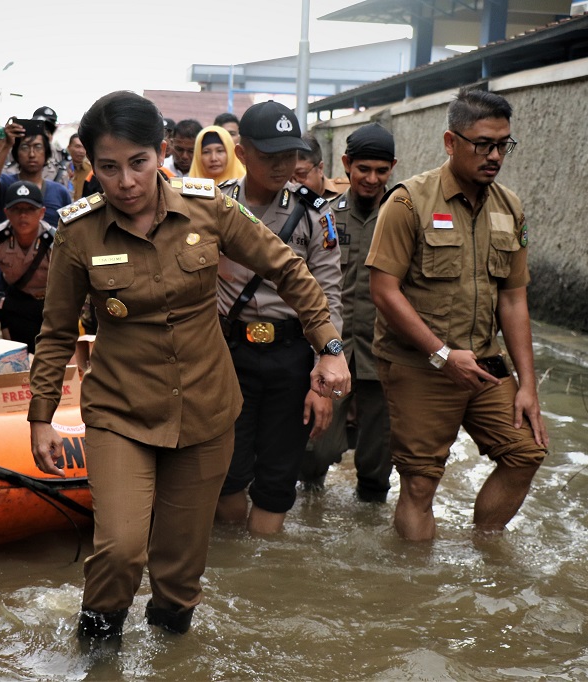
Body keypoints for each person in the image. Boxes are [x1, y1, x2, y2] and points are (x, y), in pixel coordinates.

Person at [27, 91, 349, 641]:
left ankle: (169, 656)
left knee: (180, 567)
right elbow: (56, 332)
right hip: (120, 412)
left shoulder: (210, 207)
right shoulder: (79, 234)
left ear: (161, 155)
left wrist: (329, 348)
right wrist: (40, 416)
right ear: (93, 167)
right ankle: (95, 652)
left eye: (138, 163)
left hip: (205, 410)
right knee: (122, 548)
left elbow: (291, 270)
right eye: (109, 168)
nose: (125, 181)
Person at [367, 88, 549, 541]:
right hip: (420, 363)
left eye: (503, 144)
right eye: (482, 144)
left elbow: (513, 300)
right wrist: (443, 355)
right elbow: (384, 292)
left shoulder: (510, 207)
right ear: (451, 142)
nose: (495, 156)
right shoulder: (408, 202)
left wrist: (528, 386)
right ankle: (418, 592)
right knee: (421, 483)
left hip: (484, 362)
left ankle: (482, 552)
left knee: (526, 452)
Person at [214, 101, 344, 535]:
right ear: (242, 151)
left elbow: (329, 298)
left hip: (291, 361)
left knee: (276, 479)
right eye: (268, 156)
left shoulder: (314, 212)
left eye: (288, 156)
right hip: (228, 355)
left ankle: (262, 567)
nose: (281, 166)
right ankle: (233, 561)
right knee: (225, 474)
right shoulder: (215, 205)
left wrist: (322, 379)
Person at [299, 123, 397, 502]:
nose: (371, 179)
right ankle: (311, 506)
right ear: (346, 165)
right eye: (363, 170)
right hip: (330, 351)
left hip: (383, 353)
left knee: (377, 460)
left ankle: (371, 524)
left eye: (381, 171)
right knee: (314, 450)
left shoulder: (402, 216)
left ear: (392, 168)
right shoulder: (323, 216)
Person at [0, 180, 54, 351]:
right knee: (19, 360)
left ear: (42, 213)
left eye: (29, 209)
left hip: (51, 305)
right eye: (17, 210)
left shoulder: (54, 241)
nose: (23, 216)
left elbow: (70, 289)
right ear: (6, 212)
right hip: (18, 302)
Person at [0, 119, 72, 225]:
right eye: (25, 147)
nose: (32, 154)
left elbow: (69, 229)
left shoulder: (60, 192)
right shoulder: (7, 184)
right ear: (16, 154)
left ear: (46, 153)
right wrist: (7, 145)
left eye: (38, 147)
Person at [294, 132, 346, 200]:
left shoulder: (346, 193)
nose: (293, 184)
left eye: (301, 174)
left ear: (320, 168)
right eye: (288, 178)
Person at [67, 133, 91, 201]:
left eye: (84, 147)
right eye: (77, 146)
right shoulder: (61, 170)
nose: (81, 151)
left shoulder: (90, 170)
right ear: (69, 147)